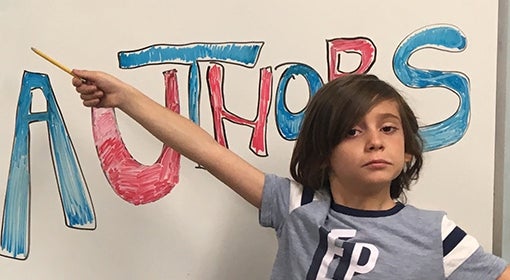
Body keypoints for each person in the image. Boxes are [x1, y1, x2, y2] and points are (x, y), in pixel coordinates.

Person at [72, 70, 510, 279]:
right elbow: (203, 147)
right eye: (352, 131)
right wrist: (125, 98)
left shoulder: (437, 234)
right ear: (324, 152)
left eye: (388, 128)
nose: (375, 141)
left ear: (409, 150)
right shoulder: (297, 205)